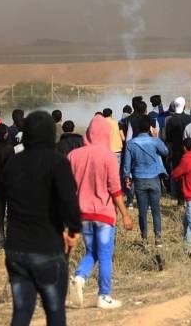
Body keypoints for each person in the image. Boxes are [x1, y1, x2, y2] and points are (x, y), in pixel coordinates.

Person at [0, 110, 82, 326]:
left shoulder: (13, 163)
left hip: (16, 249)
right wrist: (74, 230)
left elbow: (3, 195)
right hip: (47, 247)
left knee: (21, 311)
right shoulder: (57, 162)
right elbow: (68, 201)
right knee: (55, 311)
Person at [68, 114, 134, 310]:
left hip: (82, 214)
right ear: (106, 134)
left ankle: (80, 277)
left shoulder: (73, 156)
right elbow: (115, 189)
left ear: (88, 133)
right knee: (105, 255)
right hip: (104, 214)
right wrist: (125, 214)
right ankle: (104, 296)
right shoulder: (108, 155)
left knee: (92, 252)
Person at [122, 114, 168, 247]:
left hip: (139, 179)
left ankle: (144, 238)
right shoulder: (154, 141)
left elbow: (127, 164)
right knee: (156, 209)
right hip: (154, 178)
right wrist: (156, 137)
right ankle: (158, 238)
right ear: (150, 128)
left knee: (142, 211)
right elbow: (165, 152)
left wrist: (127, 178)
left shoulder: (131, 144)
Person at [163, 97, 191, 202]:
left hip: (175, 151)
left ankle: (180, 197)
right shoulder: (189, 118)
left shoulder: (170, 120)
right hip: (188, 150)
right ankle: (189, 194)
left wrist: (169, 153)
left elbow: (168, 139)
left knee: (178, 173)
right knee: (189, 173)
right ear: (184, 106)